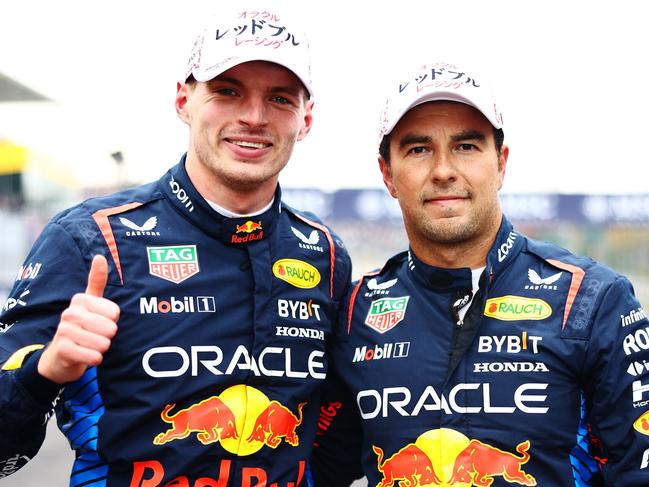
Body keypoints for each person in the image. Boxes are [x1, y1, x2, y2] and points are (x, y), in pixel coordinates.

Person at [0, 6, 352, 486]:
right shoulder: (89, 239)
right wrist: (44, 371)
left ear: (305, 119)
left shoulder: (326, 255)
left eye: (280, 99)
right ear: (184, 101)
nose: (253, 116)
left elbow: (334, 442)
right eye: (227, 92)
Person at [311, 61, 649, 486]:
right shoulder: (355, 312)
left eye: (466, 146)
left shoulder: (592, 300)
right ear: (387, 174)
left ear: (501, 163)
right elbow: (319, 469)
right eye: (418, 149)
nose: (443, 170)